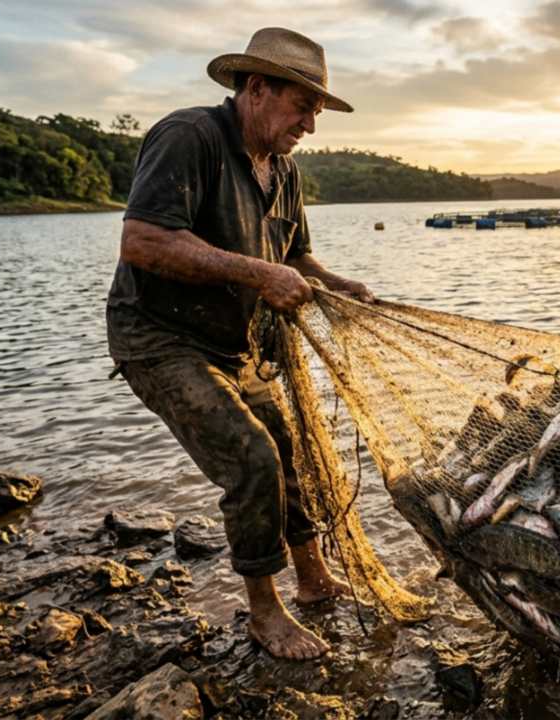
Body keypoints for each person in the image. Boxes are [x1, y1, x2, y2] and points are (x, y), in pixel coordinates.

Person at [106, 27, 375, 660]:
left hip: (236, 345)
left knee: (292, 450)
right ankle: (265, 614)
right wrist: (259, 275)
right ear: (256, 88)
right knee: (252, 456)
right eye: (302, 105)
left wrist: (337, 284)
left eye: (317, 110)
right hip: (160, 338)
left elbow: (296, 257)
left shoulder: (284, 168)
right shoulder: (189, 136)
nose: (311, 123)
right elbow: (142, 241)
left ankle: (313, 581)